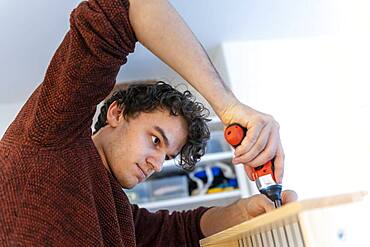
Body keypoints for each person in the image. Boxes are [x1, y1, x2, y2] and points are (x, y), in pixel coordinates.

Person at [0, 0, 296, 246]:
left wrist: (246, 212)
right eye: (156, 140)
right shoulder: (55, 137)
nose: (156, 164)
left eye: (166, 156)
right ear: (116, 113)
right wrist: (229, 107)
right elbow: (127, 5)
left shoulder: (121, 218)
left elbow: (182, 231)